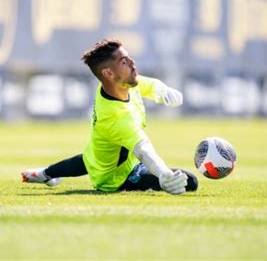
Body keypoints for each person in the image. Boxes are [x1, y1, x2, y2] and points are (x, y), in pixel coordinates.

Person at [21, 39, 198, 195]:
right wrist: (163, 174)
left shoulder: (119, 85)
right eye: (124, 62)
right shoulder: (117, 117)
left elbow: (148, 84)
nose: (132, 63)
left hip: (102, 157)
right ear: (108, 73)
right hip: (118, 178)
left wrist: (162, 90)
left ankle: (43, 174)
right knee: (190, 181)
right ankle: (47, 174)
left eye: (128, 58)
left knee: (91, 158)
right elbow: (144, 150)